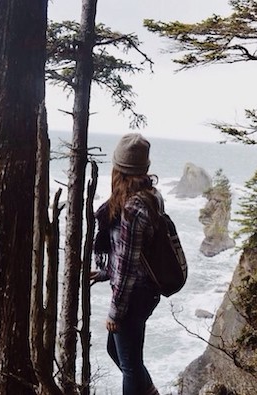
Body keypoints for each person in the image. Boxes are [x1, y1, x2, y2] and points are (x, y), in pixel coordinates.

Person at [92, 133, 162, 395]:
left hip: (134, 294)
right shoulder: (151, 196)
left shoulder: (132, 209)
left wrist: (115, 312)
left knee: (130, 365)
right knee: (117, 351)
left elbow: (127, 266)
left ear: (118, 169)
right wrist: (103, 273)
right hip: (147, 291)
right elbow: (134, 254)